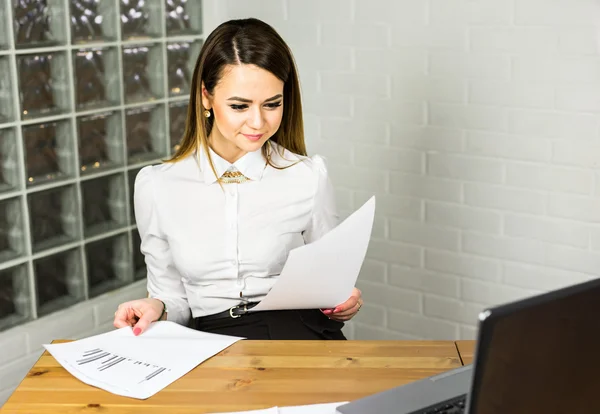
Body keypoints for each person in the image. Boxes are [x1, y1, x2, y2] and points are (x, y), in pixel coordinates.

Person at [113, 18, 363, 340]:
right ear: (206, 96)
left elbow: (331, 281)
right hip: (208, 339)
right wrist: (156, 308)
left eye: (272, 104)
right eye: (239, 106)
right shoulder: (157, 186)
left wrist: (343, 299)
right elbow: (174, 300)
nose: (258, 122)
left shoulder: (308, 176)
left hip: (295, 333)